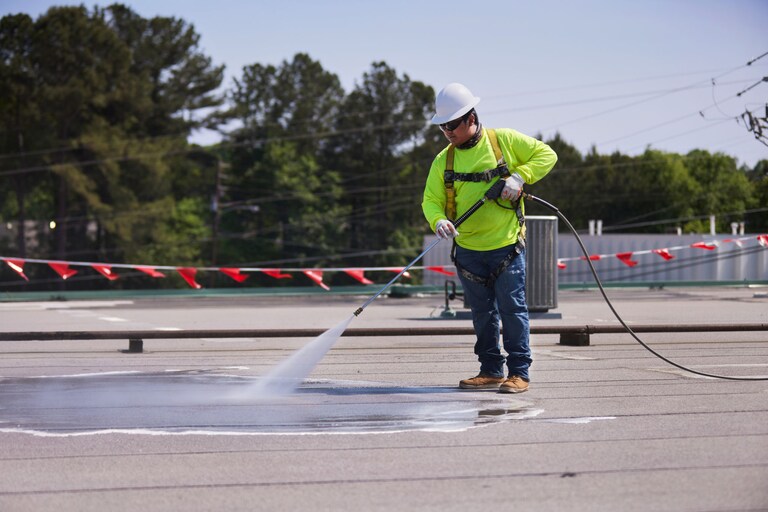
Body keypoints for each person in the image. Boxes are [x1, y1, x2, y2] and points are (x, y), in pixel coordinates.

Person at [422, 83, 557, 393]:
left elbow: (546, 155)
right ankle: (491, 369)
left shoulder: (503, 141)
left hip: (506, 247)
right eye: (442, 126)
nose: (447, 132)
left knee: (512, 310)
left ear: (471, 118)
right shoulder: (445, 160)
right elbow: (430, 199)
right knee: (482, 314)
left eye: (452, 124)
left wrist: (519, 176)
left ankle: (519, 373)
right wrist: (438, 219)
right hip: (468, 251)